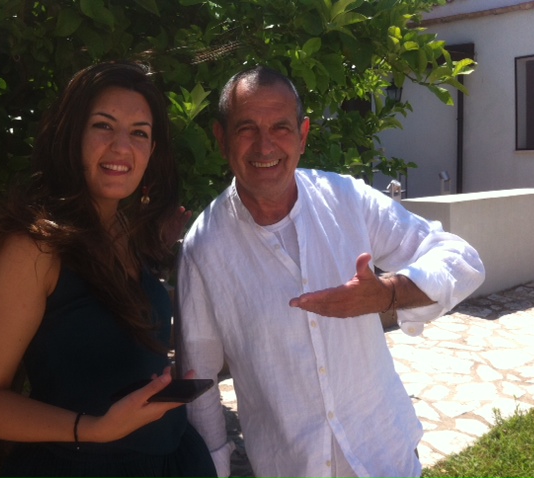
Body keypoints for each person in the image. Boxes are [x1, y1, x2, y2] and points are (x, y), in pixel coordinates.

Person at [177, 66, 485, 478]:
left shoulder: (346, 199)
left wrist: (388, 294)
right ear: (221, 139)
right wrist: (214, 466)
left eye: (281, 127)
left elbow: (461, 259)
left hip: (386, 454)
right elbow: (197, 377)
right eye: (246, 128)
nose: (265, 145)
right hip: (290, 467)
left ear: (303, 135)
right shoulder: (203, 247)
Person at [0, 60, 217, 478]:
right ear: (71, 135)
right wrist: (93, 429)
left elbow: (111, 333)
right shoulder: (32, 248)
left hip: (171, 458)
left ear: (152, 152)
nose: (121, 147)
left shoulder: (124, 233)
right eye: (103, 126)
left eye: (139, 133)